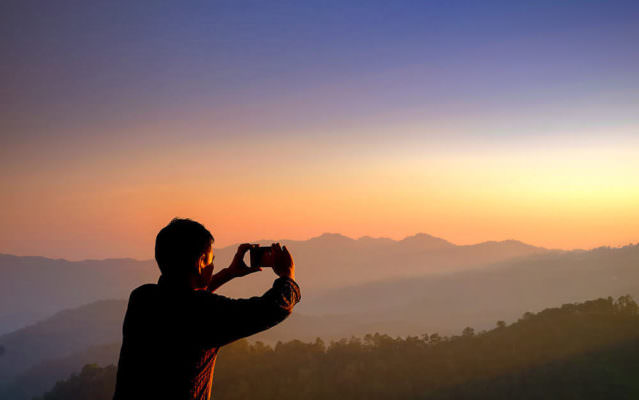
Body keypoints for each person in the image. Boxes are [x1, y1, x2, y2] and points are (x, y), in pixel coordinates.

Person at [113, 218, 301, 400]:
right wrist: (287, 275)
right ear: (201, 260)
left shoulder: (141, 298)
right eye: (211, 260)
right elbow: (271, 308)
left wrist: (228, 273)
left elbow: (182, 298)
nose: (212, 266)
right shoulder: (205, 312)